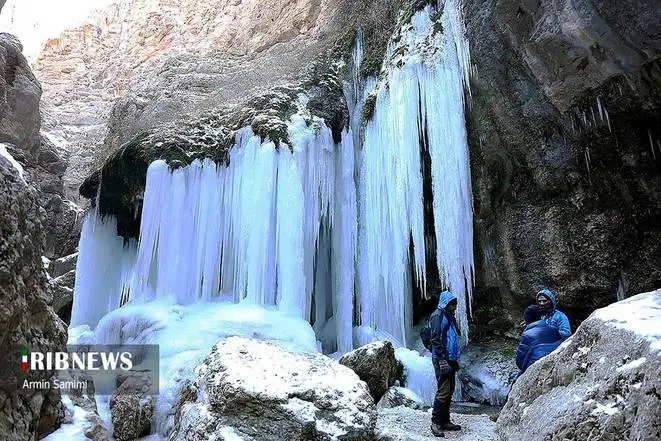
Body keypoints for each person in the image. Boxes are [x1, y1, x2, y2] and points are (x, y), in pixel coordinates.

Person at [429, 290, 461, 437]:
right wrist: (442, 358)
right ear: (445, 303)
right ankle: (435, 422)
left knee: (450, 389)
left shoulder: (449, 316)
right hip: (442, 358)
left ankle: (445, 420)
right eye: (452, 304)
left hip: (450, 358)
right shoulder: (438, 315)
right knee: (443, 390)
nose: (455, 307)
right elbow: (435, 338)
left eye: (455, 304)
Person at [515, 305, 563, 373]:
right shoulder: (555, 329)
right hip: (554, 363)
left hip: (535, 370)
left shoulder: (527, 335)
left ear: (525, 319)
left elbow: (520, 363)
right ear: (540, 316)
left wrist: (525, 331)